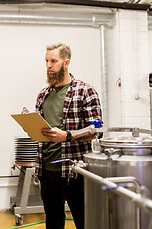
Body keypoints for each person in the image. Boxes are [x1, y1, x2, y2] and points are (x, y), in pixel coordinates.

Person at [35, 42, 102, 229]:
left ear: (66, 63)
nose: (48, 65)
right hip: (46, 170)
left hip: (74, 171)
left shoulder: (84, 91)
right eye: (46, 61)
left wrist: (67, 136)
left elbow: (96, 130)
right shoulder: (43, 95)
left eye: (53, 61)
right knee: (53, 222)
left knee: (85, 221)